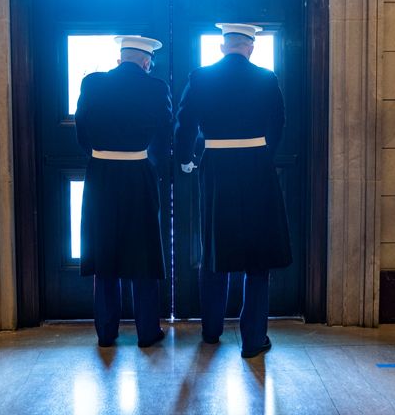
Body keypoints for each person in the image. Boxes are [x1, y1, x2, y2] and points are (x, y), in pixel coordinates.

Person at [175, 23, 292, 358]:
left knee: (214, 250)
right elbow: (279, 124)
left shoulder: (201, 77)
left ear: (223, 47)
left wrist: (186, 159)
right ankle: (254, 339)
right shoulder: (267, 78)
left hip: (215, 168)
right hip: (257, 167)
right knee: (257, 257)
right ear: (250, 47)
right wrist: (262, 154)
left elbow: (184, 125)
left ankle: (211, 331)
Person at [75, 35, 172, 348]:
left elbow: (81, 130)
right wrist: (154, 163)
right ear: (146, 62)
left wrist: (99, 153)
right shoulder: (155, 87)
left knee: (104, 251)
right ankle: (147, 331)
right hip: (138, 173)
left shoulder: (92, 83)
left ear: (119, 58)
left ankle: (106, 330)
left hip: (101, 174)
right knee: (142, 252)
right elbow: (164, 135)